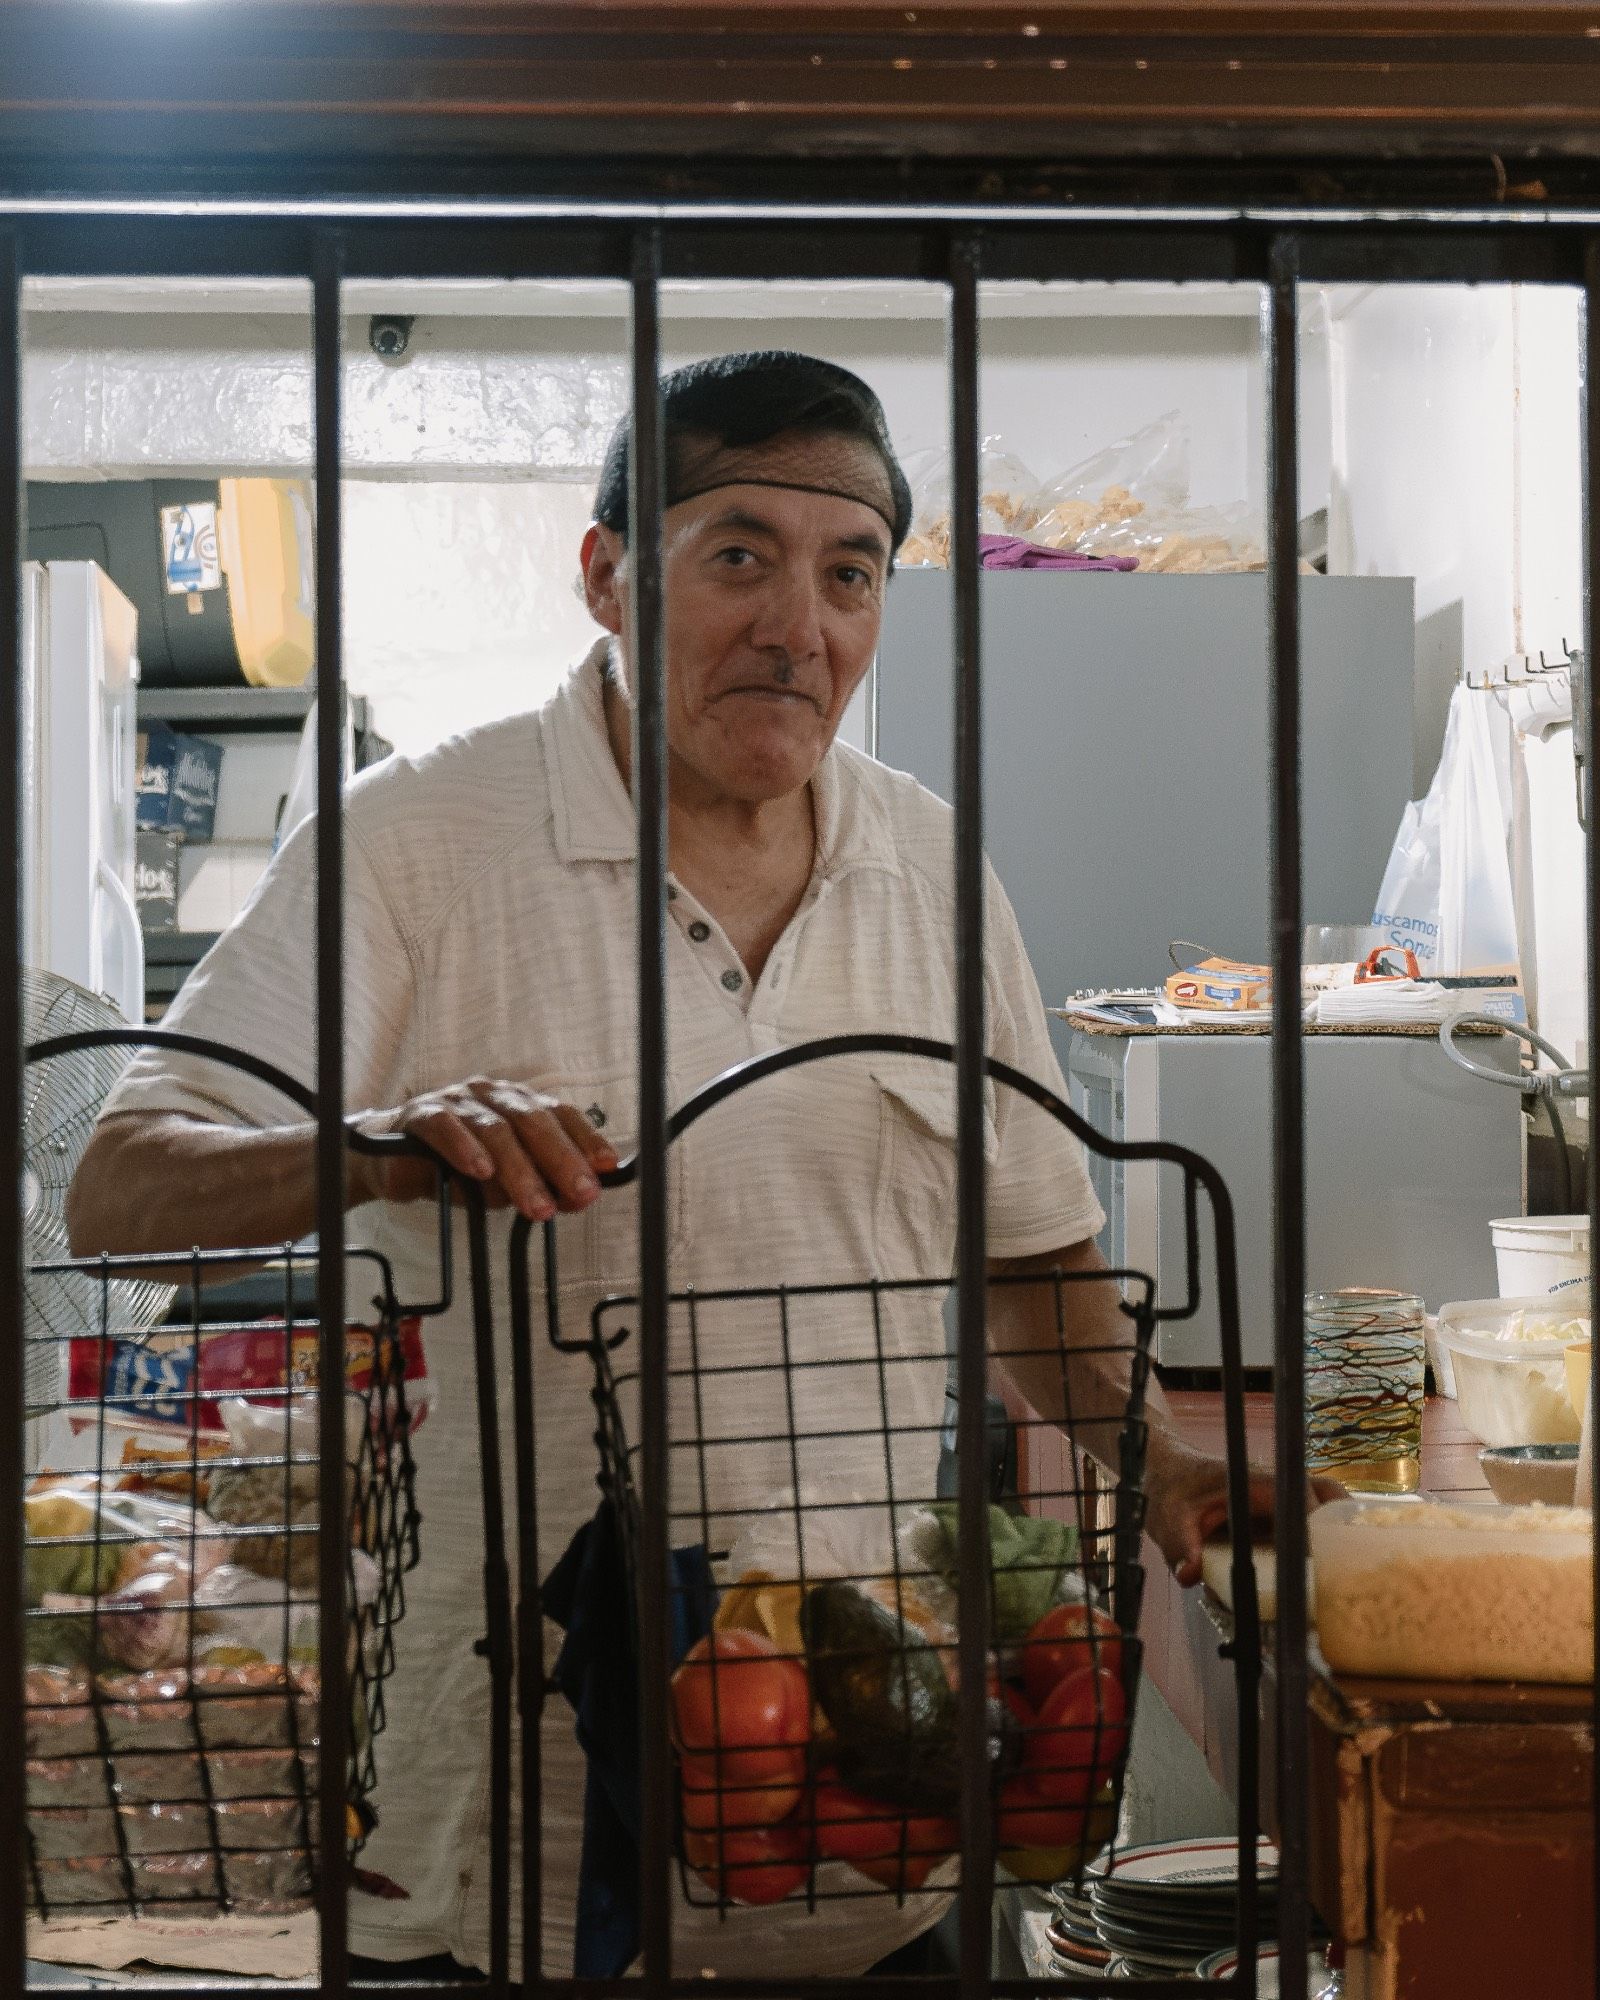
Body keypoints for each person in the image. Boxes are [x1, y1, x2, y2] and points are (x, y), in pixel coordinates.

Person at [69, 351, 1313, 1986]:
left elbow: (1032, 1261)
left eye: (848, 574)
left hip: (878, 1782)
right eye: (739, 554)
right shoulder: (417, 845)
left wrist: (1163, 1471)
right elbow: (121, 1190)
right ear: (606, 574)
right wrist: (373, 1147)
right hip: (517, 1818)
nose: (800, 624)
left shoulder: (931, 867)